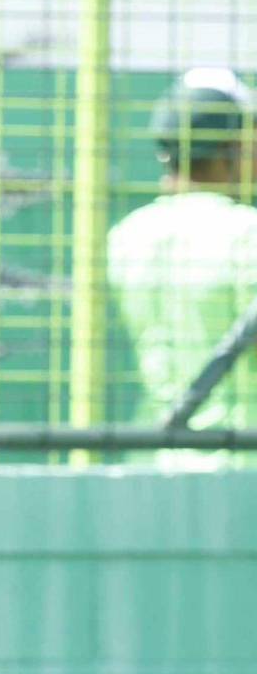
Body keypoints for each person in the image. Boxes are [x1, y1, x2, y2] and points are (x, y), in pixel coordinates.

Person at [108, 67, 257, 464]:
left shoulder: (127, 237)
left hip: (158, 459)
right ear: (233, 149)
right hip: (239, 461)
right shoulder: (246, 234)